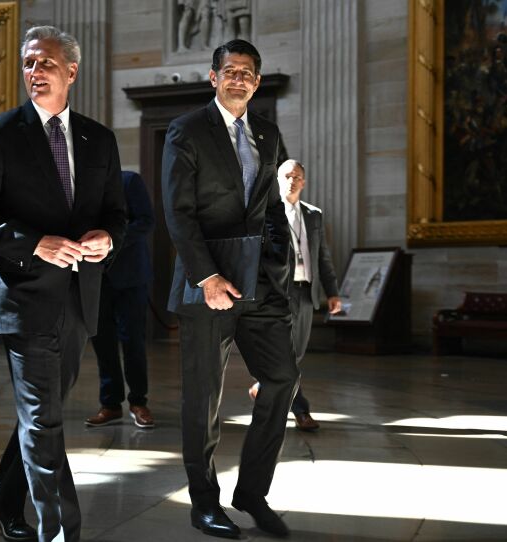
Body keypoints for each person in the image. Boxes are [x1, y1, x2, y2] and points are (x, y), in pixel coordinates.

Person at [0, 25, 126, 542]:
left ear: (71, 71)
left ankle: (5, 501)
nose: (34, 72)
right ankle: (61, 535)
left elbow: (119, 214)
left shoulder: (101, 138)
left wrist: (106, 239)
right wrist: (35, 243)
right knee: (45, 423)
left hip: (79, 301)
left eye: (45, 63)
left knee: (41, 417)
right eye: (28, 63)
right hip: (24, 300)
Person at [161, 39, 295, 539]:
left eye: (248, 72)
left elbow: (274, 208)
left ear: (257, 83)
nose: (239, 78)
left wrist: (278, 263)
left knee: (281, 378)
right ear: (213, 77)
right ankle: (204, 502)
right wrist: (207, 275)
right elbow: (178, 212)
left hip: (259, 283)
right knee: (203, 400)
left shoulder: (268, 132)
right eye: (230, 71)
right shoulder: (186, 131)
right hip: (207, 284)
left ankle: (253, 493)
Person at [249, 159, 342, 432]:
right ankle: (301, 411)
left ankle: (263, 386)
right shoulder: (267, 214)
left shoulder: (314, 215)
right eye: (287, 175)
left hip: (306, 292)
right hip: (279, 292)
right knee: (286, 354)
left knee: (297, 353)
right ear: (278, 180)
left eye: (297, 176)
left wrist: (332, 292)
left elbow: (322, 256)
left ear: (304, 181)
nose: (292, 180)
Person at [86, 170, 156, 428]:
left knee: (133, 341)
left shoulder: (129, 180)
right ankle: (110, 404)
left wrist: (110, 241)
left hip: (130, 277)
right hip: (94, 277)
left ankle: (139, 401)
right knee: (102, 342)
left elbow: (146, 222)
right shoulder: (80, 184)